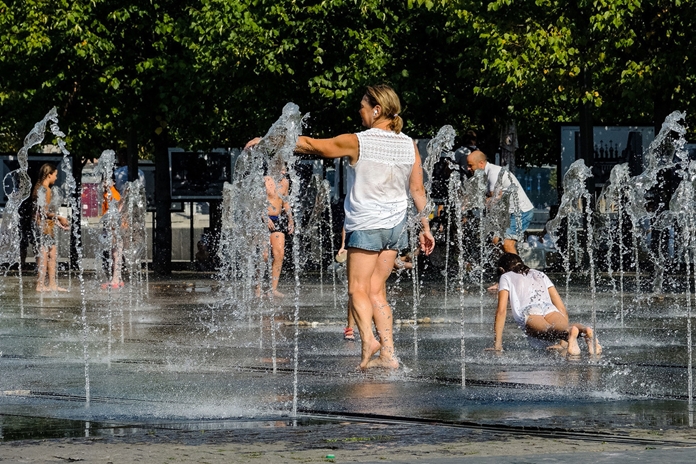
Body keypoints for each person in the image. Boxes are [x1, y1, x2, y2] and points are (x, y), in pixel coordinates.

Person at [248, 84, 435, 369]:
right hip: (396, 227)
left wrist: (269, 141)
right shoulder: (409, 144)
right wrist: (425, 227)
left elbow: (313, 145)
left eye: (362, 106)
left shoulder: (359, 141)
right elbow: (418, 191)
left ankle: (369, 340)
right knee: (377, 292)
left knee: (357, 290)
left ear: (377, 109)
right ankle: (388, 354)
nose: (359, 111)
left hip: (366, 224)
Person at [488, 253, 601, 356]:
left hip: (530, 311)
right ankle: (585, 331)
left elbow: (501, 311)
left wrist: (497, 345)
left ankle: (570, 334)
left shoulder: (506, 276)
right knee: (562, 329)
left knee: (548, 332)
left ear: (502, 269)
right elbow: (561, 307)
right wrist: (563, 344)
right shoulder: (539, 274)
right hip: (549, 309)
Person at [467, 150, 535, 255]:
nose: (468, 168)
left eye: (470, 165)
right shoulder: (484, 174)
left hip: (520, 212)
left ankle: (518, 270)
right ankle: (504, 268)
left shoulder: (494, 173)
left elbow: (494, 199)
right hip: (508, 213)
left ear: (481, 163)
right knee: (495, 242)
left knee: (507, 244)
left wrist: (471, 204)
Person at [32, 163, 69, 292]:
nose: (56, 178)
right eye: (55, 175)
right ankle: (41, 285)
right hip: (42, 227)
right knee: (45, 255)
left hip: (43, 226)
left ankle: (51, 284)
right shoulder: (45, 190)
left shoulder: (39, 188)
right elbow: (44, 212)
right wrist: (60, 218)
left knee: (51, 254)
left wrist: (57, 224)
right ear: (49, 175)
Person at [263, 156, 294, 298]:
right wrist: (264, 216)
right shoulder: (264, 181)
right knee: (263, 256)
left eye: (285, 170)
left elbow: (285, 201)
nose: (283, 173)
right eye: (281, 170)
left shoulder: (285, 183)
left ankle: (273, 289)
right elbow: (256, 201)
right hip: (263, 219)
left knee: (279, 254)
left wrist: (290, 219)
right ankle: (258, 287)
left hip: (278, 219)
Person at [101, 173, 124, 289]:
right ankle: (117, 279)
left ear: (113, 182)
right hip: (110, 228)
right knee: (113, 253)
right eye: (103, 181)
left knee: (116, 254)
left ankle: (116, 279)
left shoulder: (113, 194)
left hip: (114, 228)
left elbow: (116, 215)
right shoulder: (107, 193)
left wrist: (113, 231)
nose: (104, 184)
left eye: (107, 181)